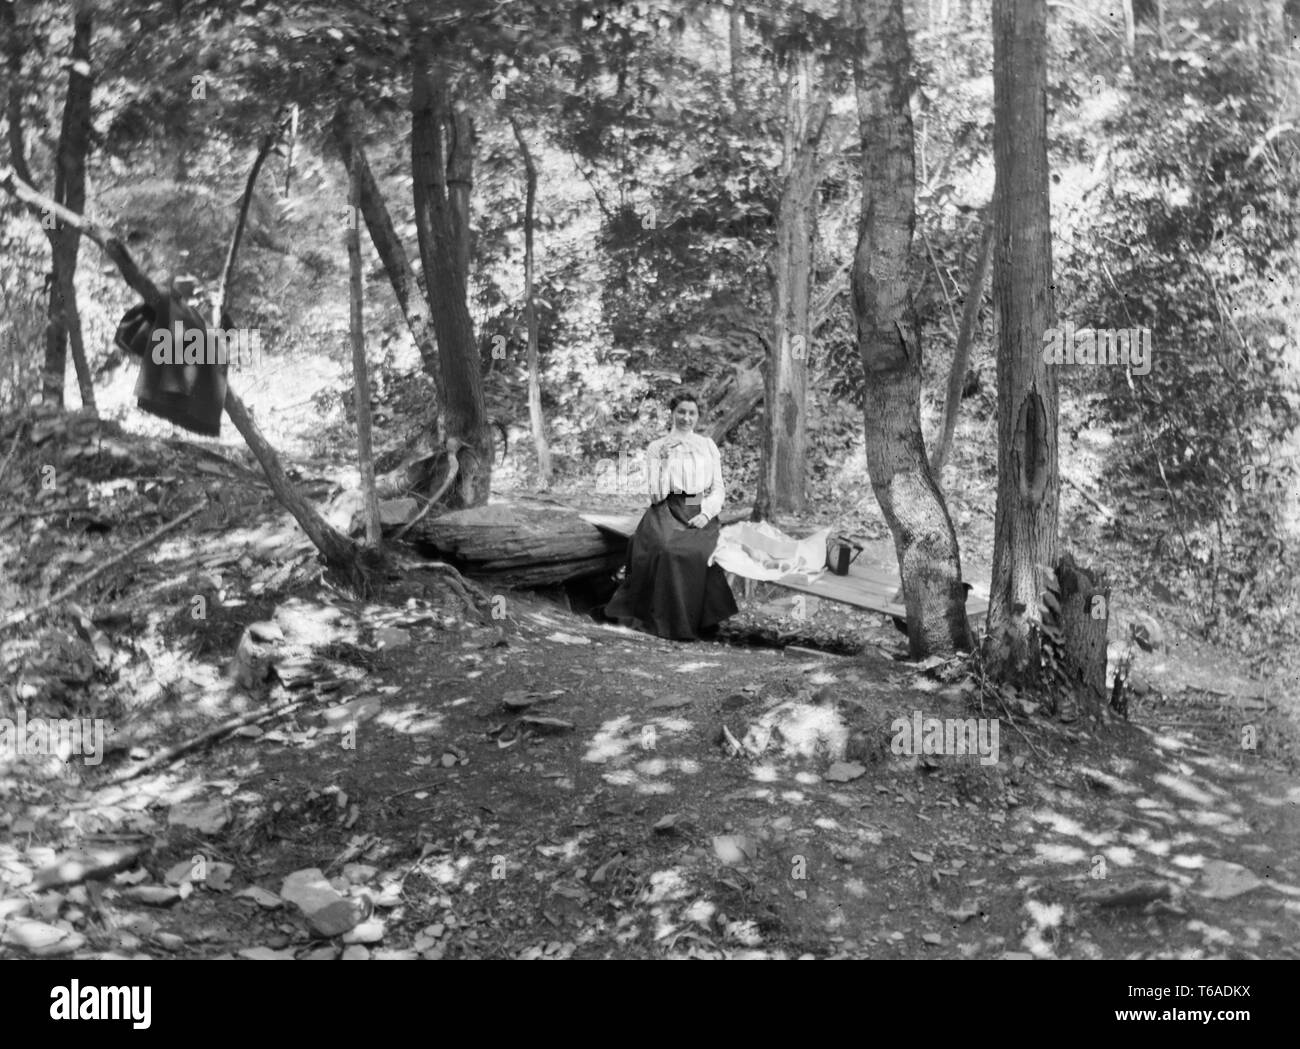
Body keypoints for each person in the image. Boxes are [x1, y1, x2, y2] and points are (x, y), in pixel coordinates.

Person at [603, 390, 739, 640]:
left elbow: (718, 488)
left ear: (698, 416)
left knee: (696, 552)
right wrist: (665, 464)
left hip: (698, 505)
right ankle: (663, 621)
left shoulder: (707, 445)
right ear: (673, 414)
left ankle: (698, 621)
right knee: (665, 549)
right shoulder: (658, 447)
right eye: (681, 412)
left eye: (692, 413)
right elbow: (655, 496)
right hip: (665, 507)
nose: (686, 418)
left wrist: (706, 513)